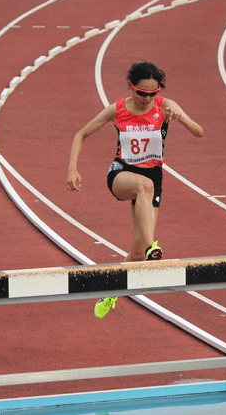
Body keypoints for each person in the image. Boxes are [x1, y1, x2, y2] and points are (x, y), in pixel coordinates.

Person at [67, 60, 203, 318]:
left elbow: (199, 132)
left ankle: (111, 291)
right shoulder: (116, 110)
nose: (147, 99)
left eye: (153, 93)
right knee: (143, 185)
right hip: (122, 174)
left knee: (138, 255)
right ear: (131, 87)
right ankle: (154, 246)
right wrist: (73, 168)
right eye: (141, 93)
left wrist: (181, 118)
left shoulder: (166, 106)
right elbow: (80, 134)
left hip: (153, 178)